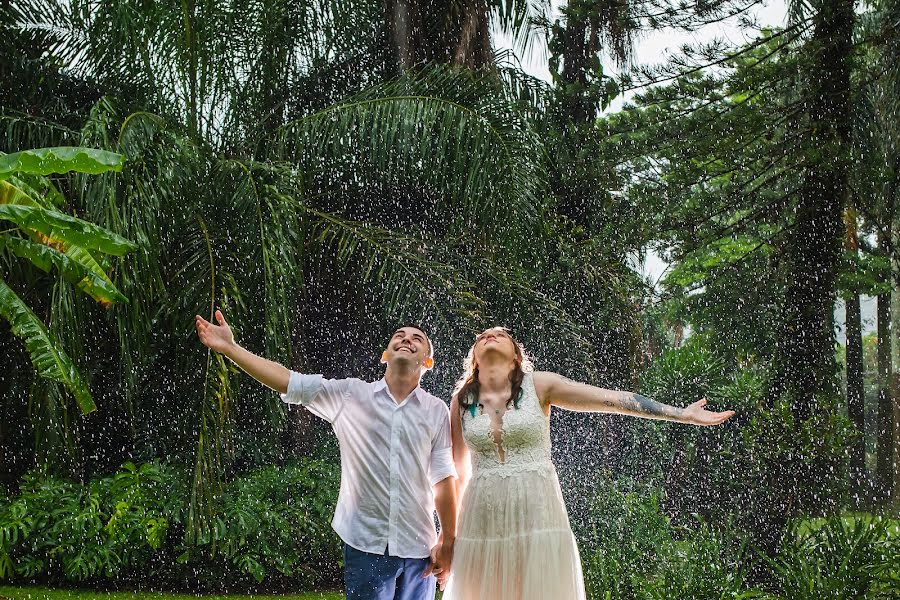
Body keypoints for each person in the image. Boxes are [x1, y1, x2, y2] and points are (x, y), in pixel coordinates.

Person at [443, 327, 735, 600]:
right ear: (474, 358)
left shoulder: (540, 385)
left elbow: (611, 400)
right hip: (482, 516)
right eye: (483, 335)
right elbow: (456, 474)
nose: (490, 335)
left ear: (517, 356)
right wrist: (448, 538)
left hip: (536, 510)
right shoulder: (462, 400)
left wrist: (681, 414)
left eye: (500, 334)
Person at [195, 311, 457, 600]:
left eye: (417, 339)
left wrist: (447, 541)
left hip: (418, 548)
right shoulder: (350, 396)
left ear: (427, 362)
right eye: (399, 336)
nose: (407, 340)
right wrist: (231, 348)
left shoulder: (436, 411)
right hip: (365, 544)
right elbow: (288, 382)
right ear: (385, 355)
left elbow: (443, 479)